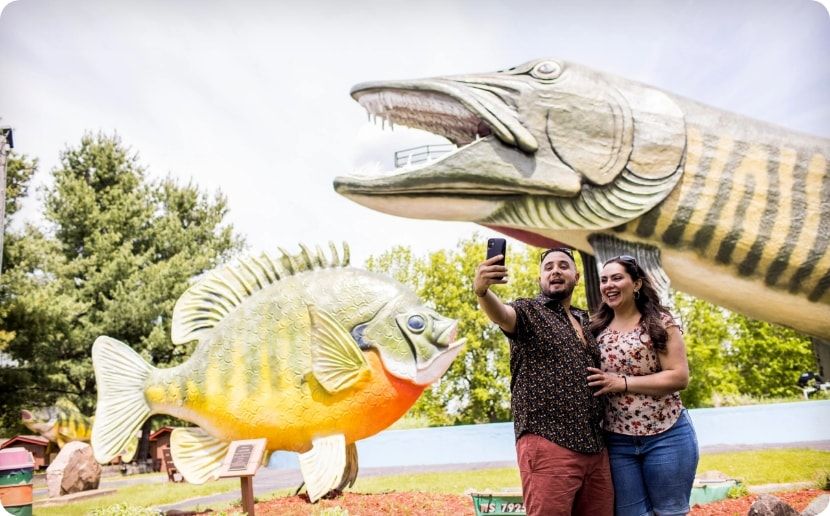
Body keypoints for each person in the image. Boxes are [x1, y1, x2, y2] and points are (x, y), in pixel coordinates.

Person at [474, 247, 613, 516]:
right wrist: (482, 292)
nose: (556, 271)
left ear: (577, 276)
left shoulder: (585, 319)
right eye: (548, 267)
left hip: (595, 448)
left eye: (563, 265)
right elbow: (502, 315)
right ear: (540, 279)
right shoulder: (528, 312)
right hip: (549, 442)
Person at [586, 255, 699, 516]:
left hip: (667, 434)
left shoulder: (660, 323)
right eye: (604, 280)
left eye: (617, 278)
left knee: (670, 513)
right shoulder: (595, 329)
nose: (608, 285)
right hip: (617, 441)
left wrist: (623, 383)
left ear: (636, 284)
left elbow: (679, 377)